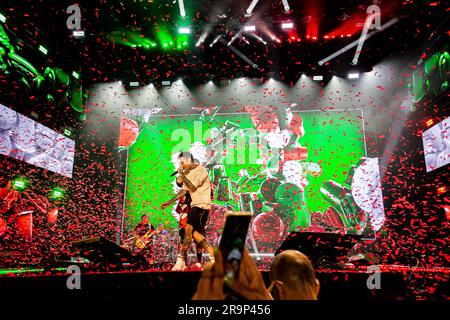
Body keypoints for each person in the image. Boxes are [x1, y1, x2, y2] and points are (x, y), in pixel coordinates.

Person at [161, 152, 215, 271]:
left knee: (188, 229)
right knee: (195, 235)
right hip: (195, 206)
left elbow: (193, 187)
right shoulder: (188, 173)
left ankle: (180, 261)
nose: (181, 165)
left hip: (202, 206)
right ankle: (214, 256)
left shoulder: (201, 170)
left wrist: (183, 175)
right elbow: (184, 191)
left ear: (188, 161)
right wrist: (169, 202)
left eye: (182, 163)